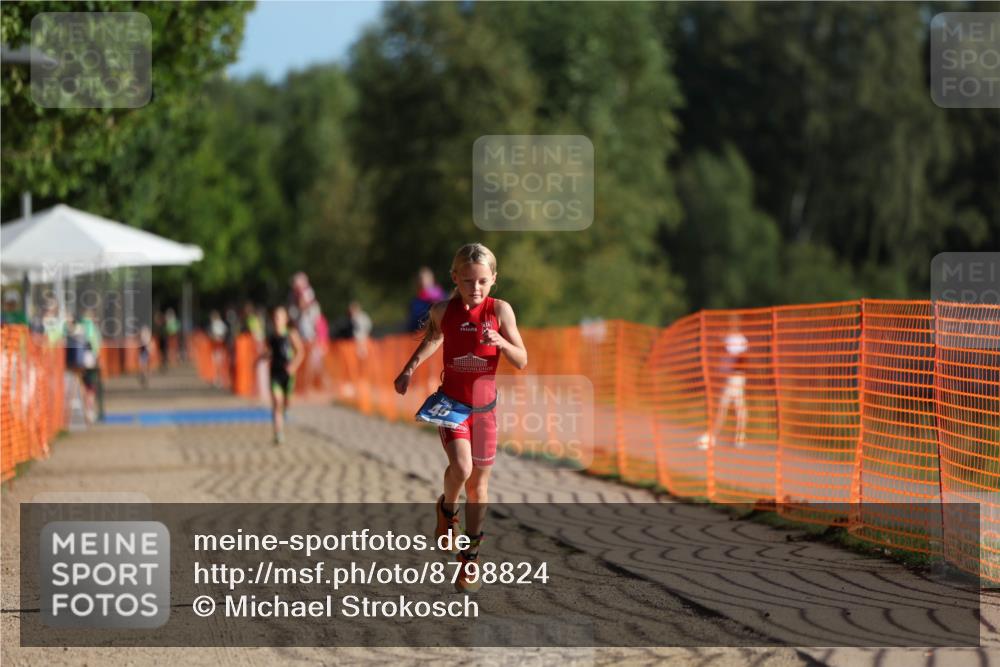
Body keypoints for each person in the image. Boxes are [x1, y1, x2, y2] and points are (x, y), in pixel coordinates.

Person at [393, 243, 527, 593]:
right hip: (452, 406)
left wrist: (500, 341)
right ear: (455, 278)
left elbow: (522, 359)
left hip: (485, 410)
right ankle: (447, 511)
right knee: (464, 470)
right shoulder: (443, 310)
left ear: (494, 279)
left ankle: (470, 559)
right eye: (467, 281)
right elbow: (433, 339)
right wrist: (408, 370)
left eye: (482, 281)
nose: (475, 288)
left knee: (480, 487)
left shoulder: (500, 311)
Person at [698, 330, 749, 450]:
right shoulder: (732, 350)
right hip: (735, 378)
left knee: (723, 406)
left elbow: (735, 360)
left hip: (734, 379)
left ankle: (713, 436)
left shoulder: (736, 352)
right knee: (738, 407)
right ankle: (739, 437)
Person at [261, 306, 304, 445]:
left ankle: (284, 410)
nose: (276, 320)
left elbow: (300, 352)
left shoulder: (291, 334)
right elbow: (269, 352)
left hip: (288, 374)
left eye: (279, 317)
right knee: (276, 402)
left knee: (286, 403)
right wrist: (260, 358)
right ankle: (278, 433)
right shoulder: (271, 336)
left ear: (285, 319)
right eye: (274, 317)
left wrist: (294, 366)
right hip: (275, 373)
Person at [407, 267, 447, 332]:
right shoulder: (415, 303)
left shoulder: (445, 297)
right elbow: (413, 325)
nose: (423, 282)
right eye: (420, 280)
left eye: (426, 279)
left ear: (432, 280)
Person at [208, 310, 228, 388]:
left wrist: (216, 337)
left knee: (219, 363)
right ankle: (217, 379)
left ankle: (220, 380)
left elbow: (221, 335)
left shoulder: (219, 324)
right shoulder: (215, 324)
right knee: (217, 363)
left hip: (219, 346)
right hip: (216, 346)